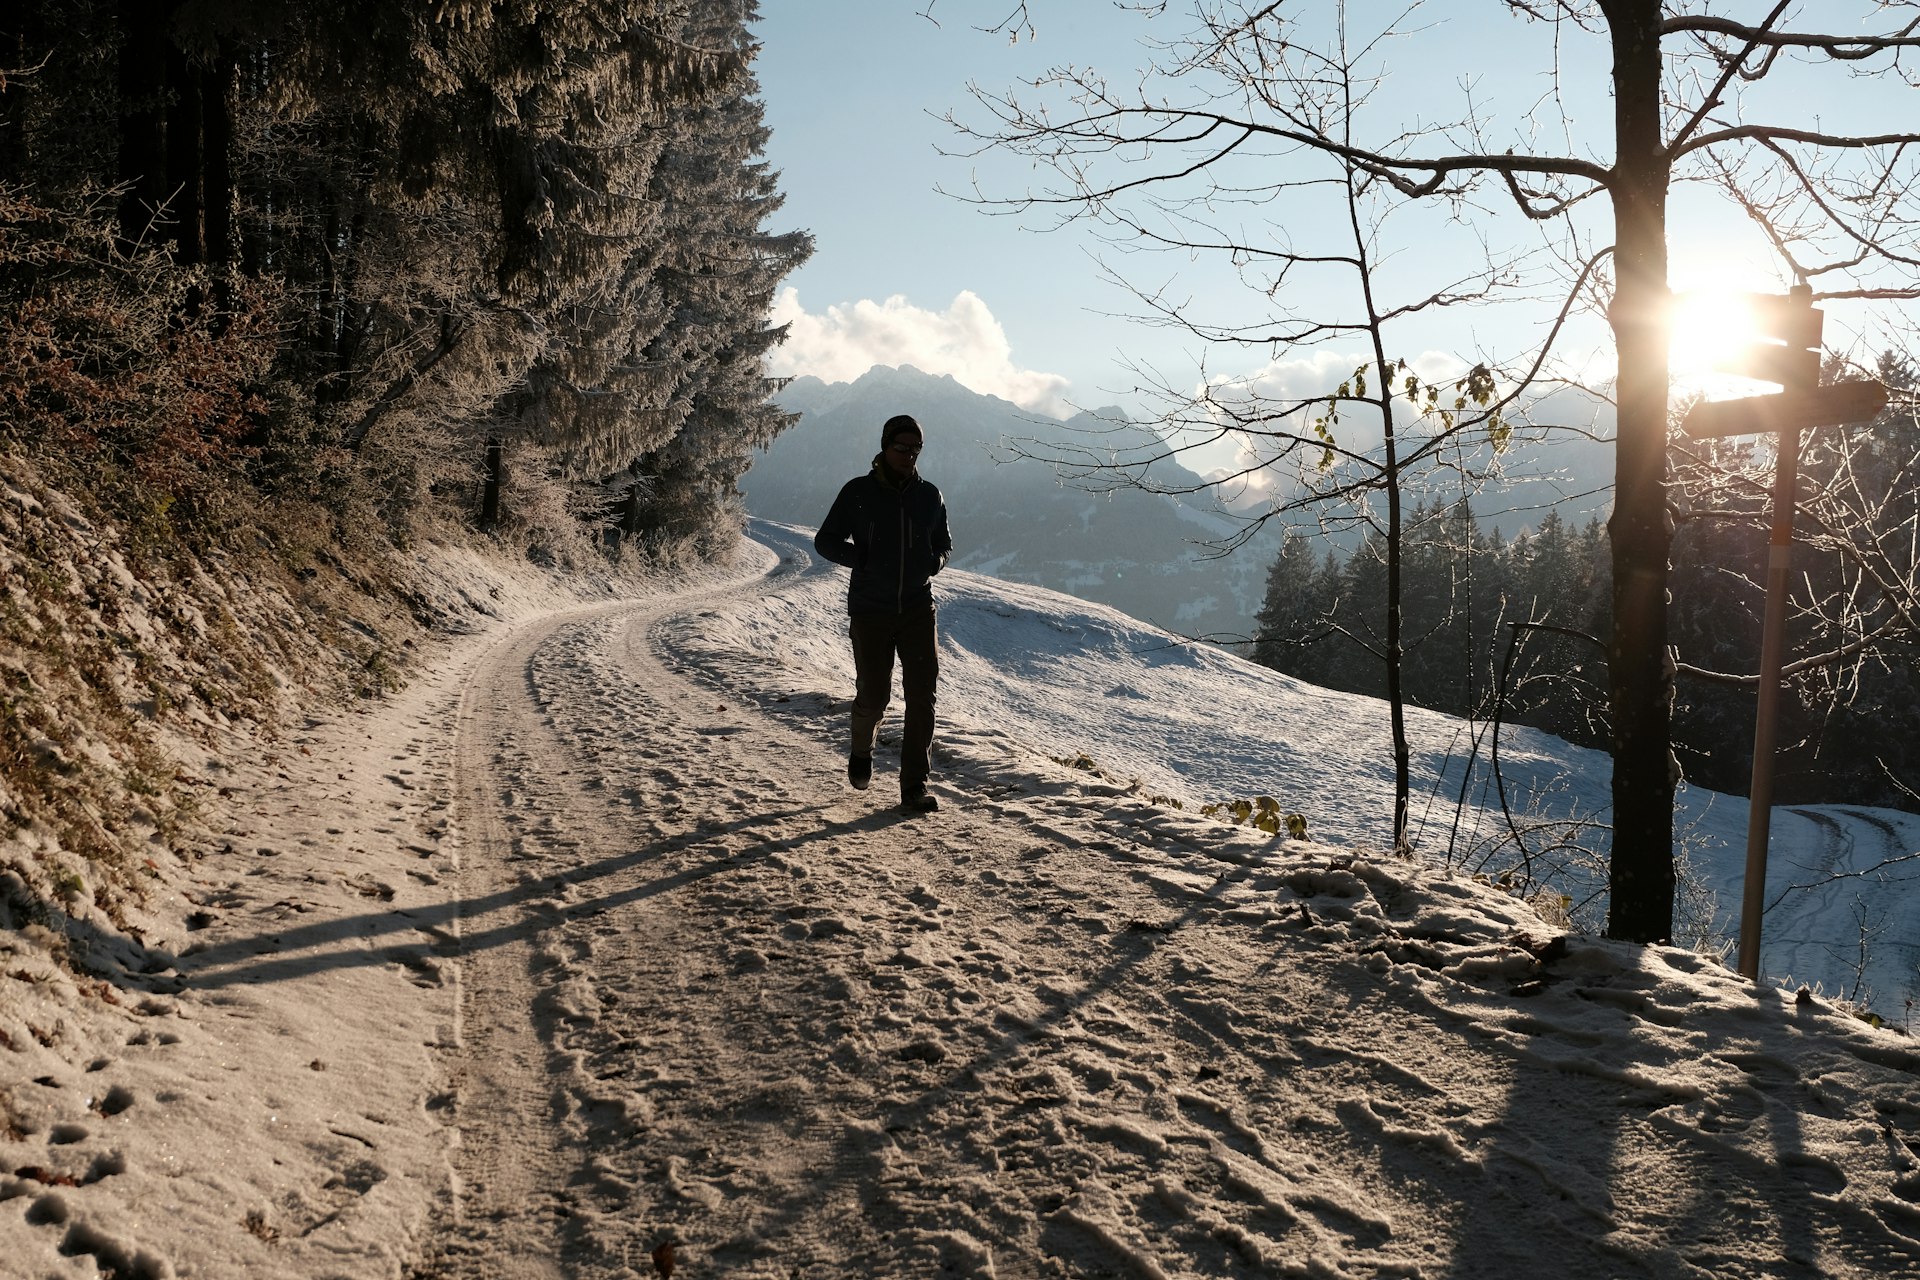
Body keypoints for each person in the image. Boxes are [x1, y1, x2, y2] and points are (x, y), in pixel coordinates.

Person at [814, 414, 953, 813]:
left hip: (917, 608)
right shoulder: (858, 492)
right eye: (902, 448)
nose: (910, 456)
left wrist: (935, 562)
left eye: (916, 450)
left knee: (922, 697)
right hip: (871, 609)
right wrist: (859, 557)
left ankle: (914, 786)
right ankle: (861, 751)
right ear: (884, 447)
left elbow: (944, 542)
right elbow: (825, 540)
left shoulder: (930, 495)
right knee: (874, 695)